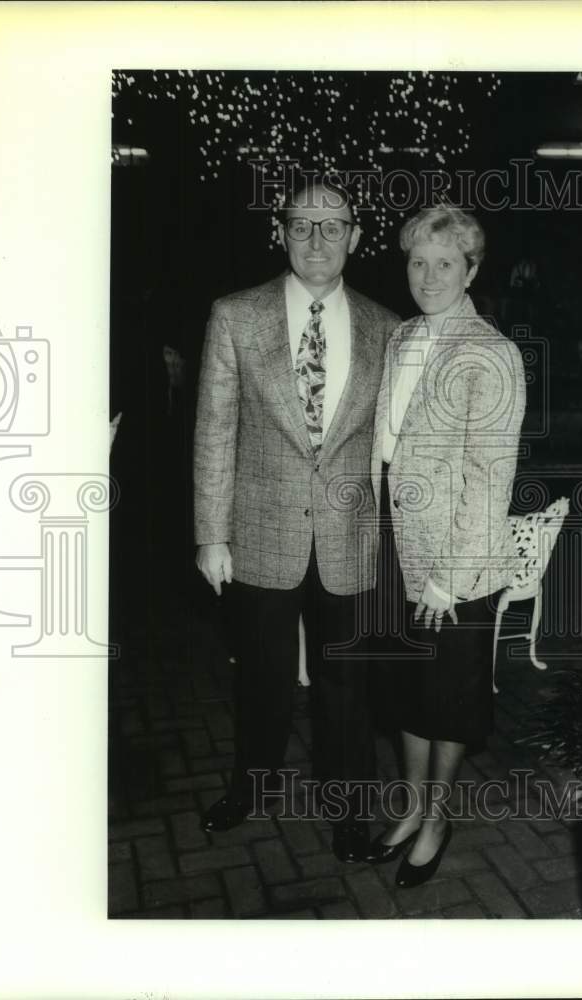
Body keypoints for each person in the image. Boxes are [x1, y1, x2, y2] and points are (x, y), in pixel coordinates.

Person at [193, 180, 399, 863]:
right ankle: (248, 789)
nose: (317, 241)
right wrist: (210, 534)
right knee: (261, 679)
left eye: (332, 226)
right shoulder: (234, 316)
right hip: (257, 533)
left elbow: (388, 445)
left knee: (349, 691)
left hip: (350, 540)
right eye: (301, 226)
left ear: (356, 236)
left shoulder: (385, 327)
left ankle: (347, 815)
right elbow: (215, 429)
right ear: (279, 233)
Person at [367, 205, 526, 887]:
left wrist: (447, 581)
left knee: (447, 701)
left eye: (444, 263)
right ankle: (407, 807)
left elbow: (489, 479)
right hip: (395, 548)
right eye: (416, 262)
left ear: (471, 269)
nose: (428, 276)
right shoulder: (401, 336)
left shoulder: (490, 352)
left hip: (454, 565)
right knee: (406, 691)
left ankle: (436, 820)